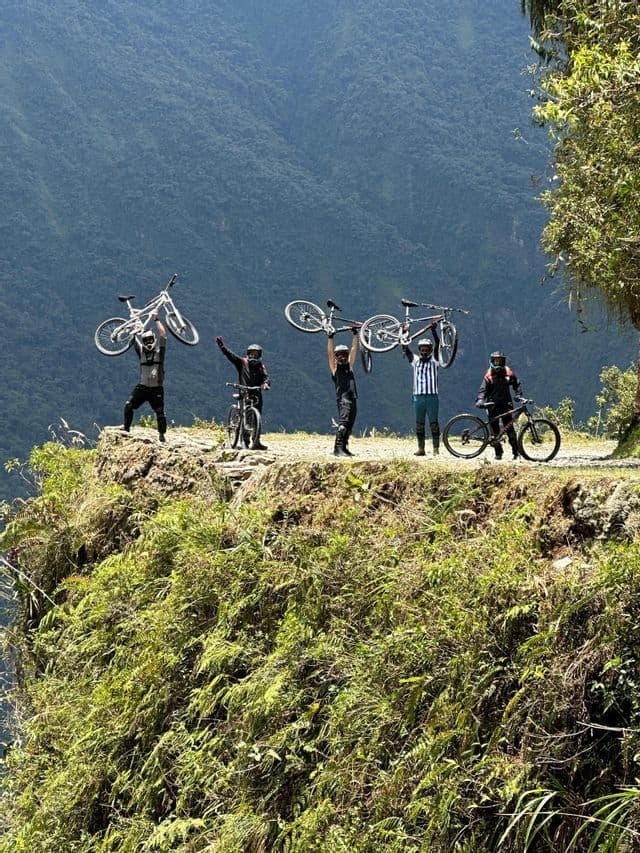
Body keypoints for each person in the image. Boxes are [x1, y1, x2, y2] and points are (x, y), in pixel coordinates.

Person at [216, 337, 270, 449]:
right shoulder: (242, 363)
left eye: (255, 354)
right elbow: (231, 356)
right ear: (248, 354)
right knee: (246, 417)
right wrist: (222, 347)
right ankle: (245, 441)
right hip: (244, 392)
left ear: (259, 355)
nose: (253, 356)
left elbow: (266, 377)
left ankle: (256, 442)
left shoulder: (261, 366)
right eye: (251, 354)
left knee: (256, 417)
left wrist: (266, 384)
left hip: (256, 394)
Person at [123, 311, 168, 442]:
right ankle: (126, 429)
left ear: (154, 339)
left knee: (160, 412)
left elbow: (163, 334)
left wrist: (156, 319)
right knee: (128, 405)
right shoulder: (141, 352)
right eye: (146, 340)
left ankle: (162, 434)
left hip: (156, 388)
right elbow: (132, 339)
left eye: (150, 339)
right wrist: (133, 324)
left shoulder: (160, 352)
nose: (148, 342)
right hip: (142, 387)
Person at [475, 350, 522, 459]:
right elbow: (483, 390)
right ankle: (498, 453)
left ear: (503, 361)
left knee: (510, 430)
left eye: (500, 360)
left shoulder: (508, 372)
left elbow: (516, 383)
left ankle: (516, 452)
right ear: (492, 361)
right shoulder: (489, 374)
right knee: (494, 431)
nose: (497, 363)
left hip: (506, 404)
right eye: (495, 361)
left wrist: (518, 394)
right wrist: (481, 400)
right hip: (492, 405)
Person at [402, 325, 440, 457]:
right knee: (419, 423)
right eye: (422, 349)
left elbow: (439, 344)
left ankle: (436, 448)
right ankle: (421, 448)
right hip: (418, 397)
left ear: (430, 350)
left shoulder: (435, 361)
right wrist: (404, 332)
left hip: (432, 397)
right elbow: (405, 348)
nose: (424, 351)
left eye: (426, 349)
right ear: (419, 350)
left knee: (434, 423)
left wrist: (434, 331)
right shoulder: (415, 360)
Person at [328, 327, 359, 457]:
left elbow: (354, 349)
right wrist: (330, 338)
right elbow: (329, 353)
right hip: (343, 399)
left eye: (344, 354)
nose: (342, 356)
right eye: (339, 355)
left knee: (350, 424)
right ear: (336, 357)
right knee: (343, 424)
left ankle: (344, 447)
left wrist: (355, 335)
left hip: (353, 398)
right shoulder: (335, 369)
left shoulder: (349, 366)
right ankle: (337, 448)